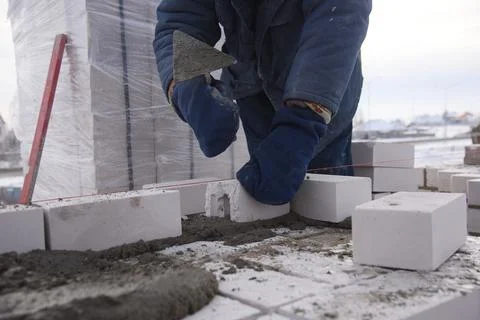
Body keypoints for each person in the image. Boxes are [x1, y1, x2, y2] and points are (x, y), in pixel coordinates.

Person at [154, 0, 372, 205]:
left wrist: (305, 117)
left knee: (326, 201)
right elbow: (182, 16)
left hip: (321, 88)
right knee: (268, 195)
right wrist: (185, 85)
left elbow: (339, 15)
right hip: (251, 90)